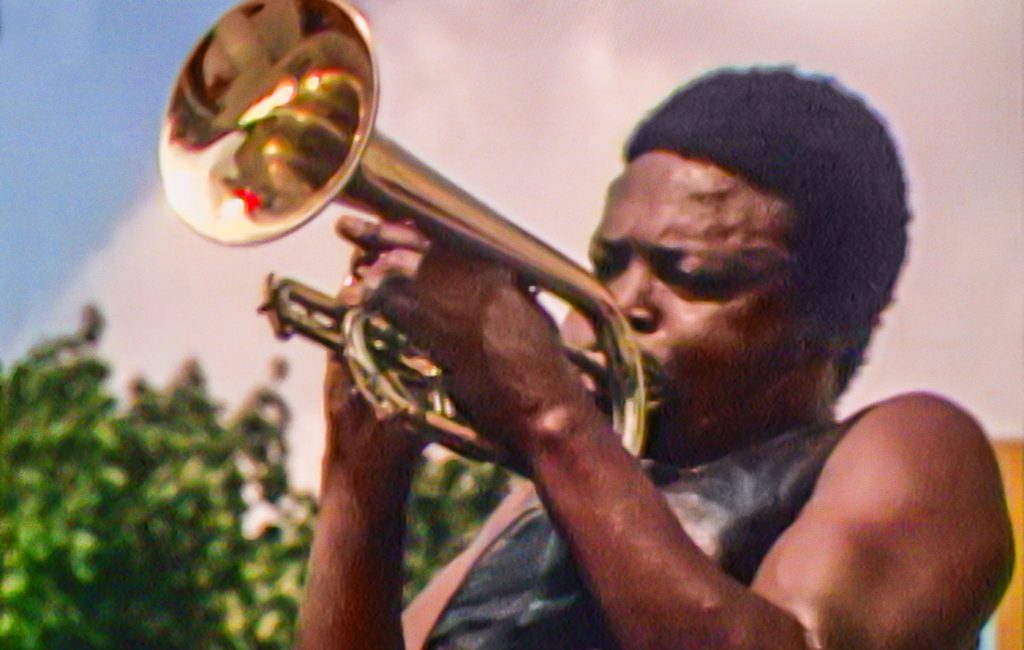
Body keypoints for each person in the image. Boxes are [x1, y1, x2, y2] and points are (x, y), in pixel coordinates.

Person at [296, 68, 1014, 649]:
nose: (623, 306)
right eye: (608, 265)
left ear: (830, 319)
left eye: (694, 275)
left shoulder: (910, 447)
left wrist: (549, 413)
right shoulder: (543, 501)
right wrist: (358, 480)